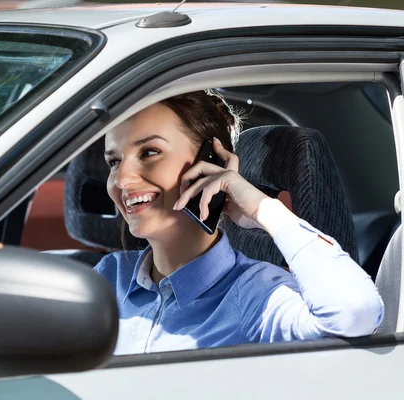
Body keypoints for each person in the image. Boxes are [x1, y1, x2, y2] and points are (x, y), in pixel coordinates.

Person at [98, 90, 384, 355]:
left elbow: (354, 312)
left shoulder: (255, 295)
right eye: (114, 162)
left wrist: (263, 209)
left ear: (209, 163)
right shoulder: (110, 276)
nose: (122, 180)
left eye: (149, 152)